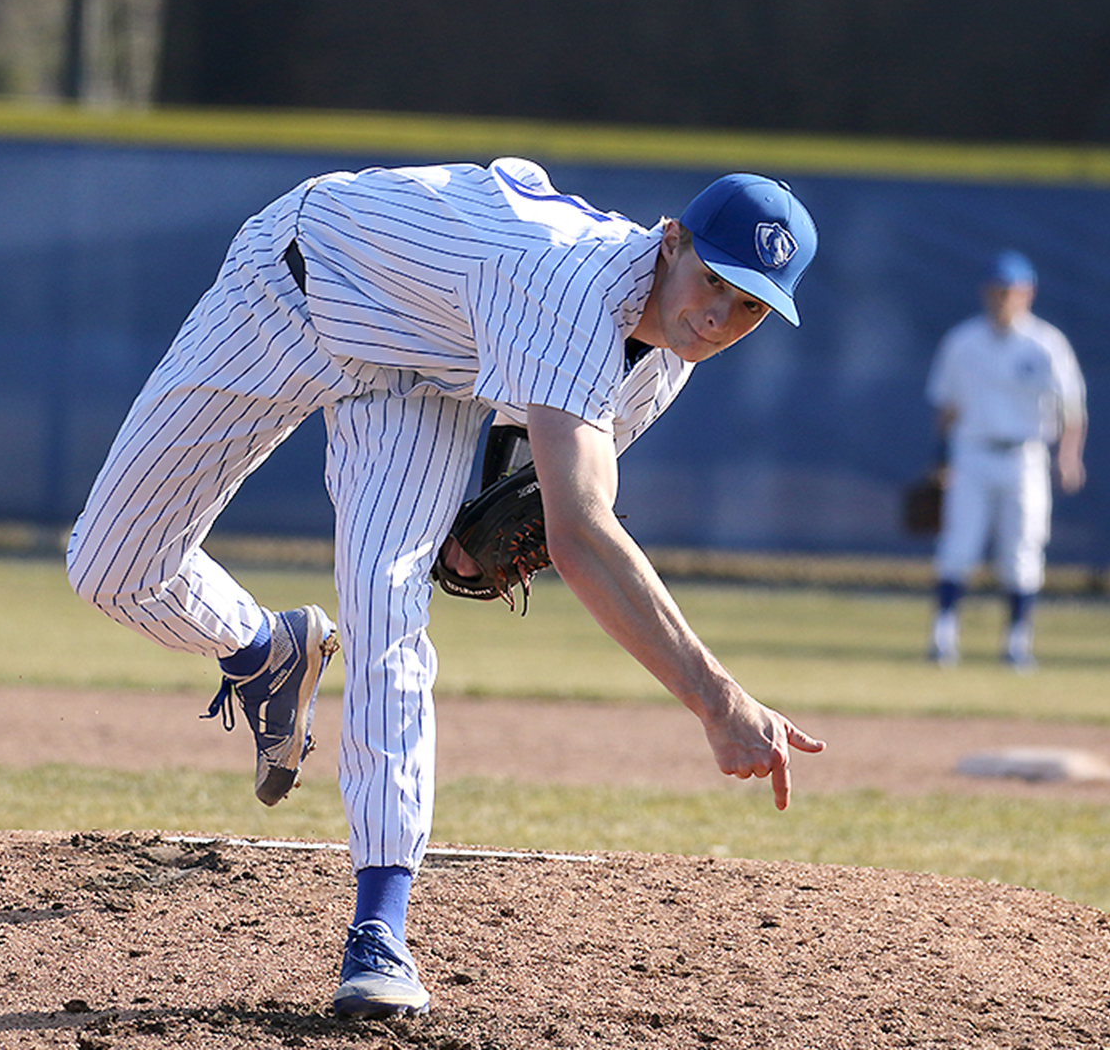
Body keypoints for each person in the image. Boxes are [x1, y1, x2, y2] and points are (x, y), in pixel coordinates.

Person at [65, 158, 826, 1018]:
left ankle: (379, 929)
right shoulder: (569, 285)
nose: (721, 316)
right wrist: (718, 699)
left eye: (753, 306)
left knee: (386, 608)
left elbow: (540, 499)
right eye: (715, 281)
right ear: (672, 241)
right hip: (295, 290)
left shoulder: (662, 361)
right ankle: (263, 649)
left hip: (428, 385)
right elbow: (581, 535)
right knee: (112, 568)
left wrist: (477, 532)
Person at [924, 250, 1087, 671]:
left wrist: (1069, 457)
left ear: (1027, 294)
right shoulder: (963, 342)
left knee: (1023, 549)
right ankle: (943, 636)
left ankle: (1017, 641)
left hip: (1026, 456)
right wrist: (941, 459)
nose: (1003, 300)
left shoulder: (1047, 344)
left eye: (1011, 292)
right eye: (997, 292)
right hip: (973, 453)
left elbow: (1073, 409)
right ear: (985, 293)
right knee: (959, 546)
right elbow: (947, 409)